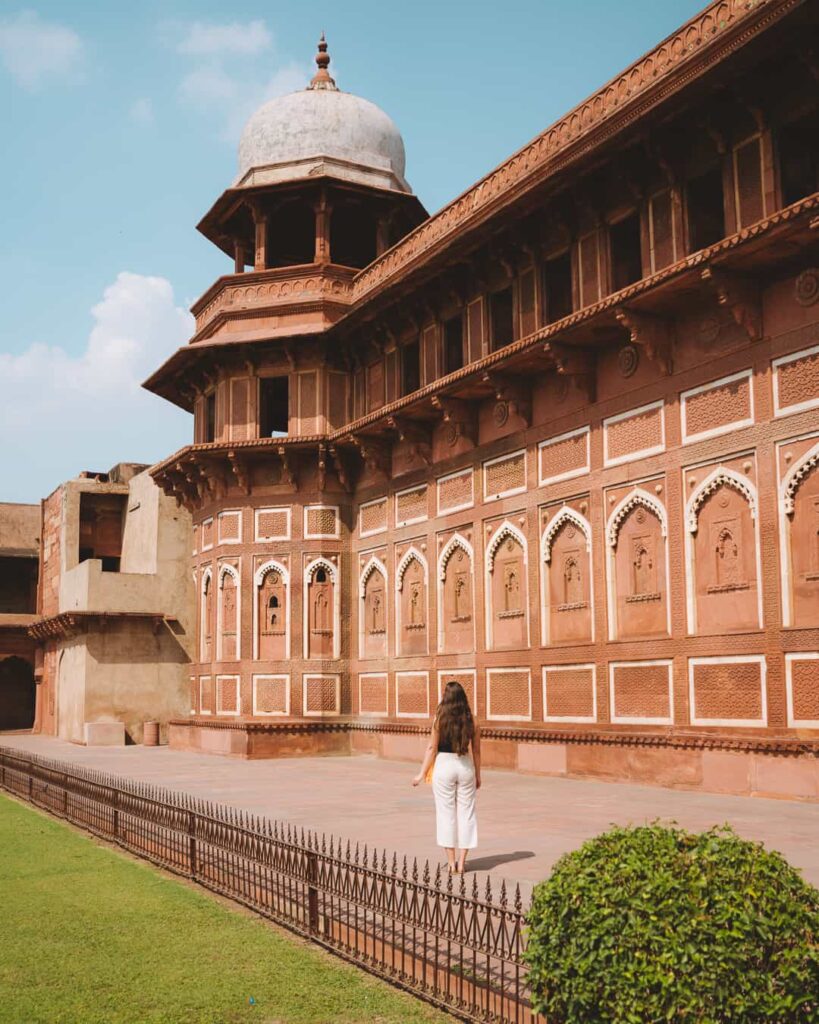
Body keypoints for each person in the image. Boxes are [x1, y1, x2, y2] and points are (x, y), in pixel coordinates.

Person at [412, 680, 481, 874]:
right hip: (465, 765)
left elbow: (432, 748)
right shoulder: (472, 719)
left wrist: (421, 774)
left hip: (444, 765)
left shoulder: (439, 718)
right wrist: (478, 775)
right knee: (466, 813)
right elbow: (476, 751)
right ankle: (462, 860)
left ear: (446, 697)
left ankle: (451, 862)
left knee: (446, 813)